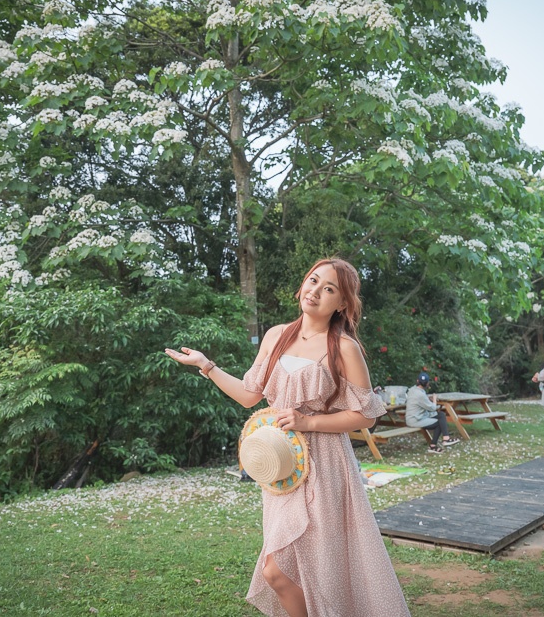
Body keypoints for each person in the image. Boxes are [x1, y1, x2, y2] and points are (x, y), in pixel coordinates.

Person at [164, 258, 410, 617]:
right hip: (283, 465)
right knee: (278, 569)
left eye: (329, 289)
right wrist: (208, 366)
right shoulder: (276, 335)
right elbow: (251, 394)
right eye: (313, 281)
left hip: (325, 466)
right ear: (302, 284)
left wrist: (307, 423)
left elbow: (365, 416)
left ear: (341, 304)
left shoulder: (343, 347)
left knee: (310, 568)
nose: (316, 291)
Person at [405, 372, 459, 453]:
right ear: (427, 384)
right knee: (440, 423)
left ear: (417, 381)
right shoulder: (420, 395)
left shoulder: (412, 390)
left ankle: (445, 439)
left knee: (441, 415)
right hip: (415, 420)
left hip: (414, 417)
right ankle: (435, 445)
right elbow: (433, 408)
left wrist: (427, 398)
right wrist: (434, 399)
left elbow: (419, 400)